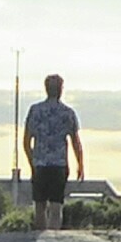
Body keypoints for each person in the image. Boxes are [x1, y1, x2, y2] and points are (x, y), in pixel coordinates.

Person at [22, 73, 86, 232]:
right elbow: (75, 142)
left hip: (40, 163)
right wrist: (80, 163)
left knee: (39, 206)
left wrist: (32, 162)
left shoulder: (35, 110)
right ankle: (54, 237)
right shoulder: (67, 113)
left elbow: (26, 141)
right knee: (56, 206)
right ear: (61, 90)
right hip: (59, 164)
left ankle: (41, 235)